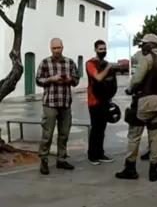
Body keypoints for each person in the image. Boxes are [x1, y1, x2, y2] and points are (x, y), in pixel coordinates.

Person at [115, 33, 157, 182]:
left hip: (144, 102)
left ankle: (130, 168)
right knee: (155, 136)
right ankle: (154, 170)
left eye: (144, 44)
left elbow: (137, 79)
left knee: (134, 136)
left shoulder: (147, 59)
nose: (142, 46)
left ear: (151, 45)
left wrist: (129, 89)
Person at [35, 38, 79, 175]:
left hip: (65, 103)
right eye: (54, 48)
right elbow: (38, 80)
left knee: (64, 133)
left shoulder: (69, 62)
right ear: (50, 48)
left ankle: (61, 159)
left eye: (58, 48)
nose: (56, 51)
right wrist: (50, 79)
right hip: (50, 103)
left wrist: (69, 79)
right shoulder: (45, 63)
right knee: (47, 134)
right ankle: (44, 160)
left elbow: (76, 80)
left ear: (62, 47)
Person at [85, 39, 117, 165]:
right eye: (100, 49)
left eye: (104, 49)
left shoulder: (106, 64)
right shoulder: (90, 63)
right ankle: (92, 155)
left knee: (102, 129)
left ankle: (100, 153)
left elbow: (111, 82)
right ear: (95, 50)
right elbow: (98, 78)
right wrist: (108, 68)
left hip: (104, 100)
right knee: (96, 129)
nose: (103, 51)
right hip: (94, 101)